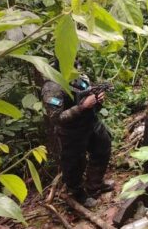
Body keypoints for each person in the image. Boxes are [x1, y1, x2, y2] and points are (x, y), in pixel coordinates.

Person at [42, 73, 114, 208]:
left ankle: (94, 185)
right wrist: (82, 106)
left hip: (91, 123)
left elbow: (89, 95)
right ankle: (77, 195)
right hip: (71, 132)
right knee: (74, 165)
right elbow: (56, 118)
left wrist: (98, 100)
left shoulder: (79, 76)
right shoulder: (52, 86)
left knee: (103, 148)